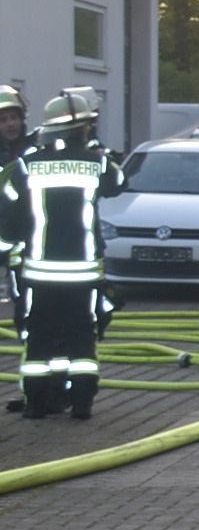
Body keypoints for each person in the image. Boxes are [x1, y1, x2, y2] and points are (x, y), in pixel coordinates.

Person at [11, 90, 122, 420]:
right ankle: (83, 403)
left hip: (39, 273)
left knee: (40, 337)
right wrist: (97, 151)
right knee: (81, 337)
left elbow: (7, 206)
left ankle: (36, 403)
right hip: (82, 274)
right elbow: (119, 181)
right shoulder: (97, 163)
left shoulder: (26, 165)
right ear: (83, 129)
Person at [0, 83, 27, 342]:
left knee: (22, 294)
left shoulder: (30, 153)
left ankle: (27, 337)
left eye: (14, 118)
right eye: (4, 120)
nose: (10, 124)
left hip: (19, 241)